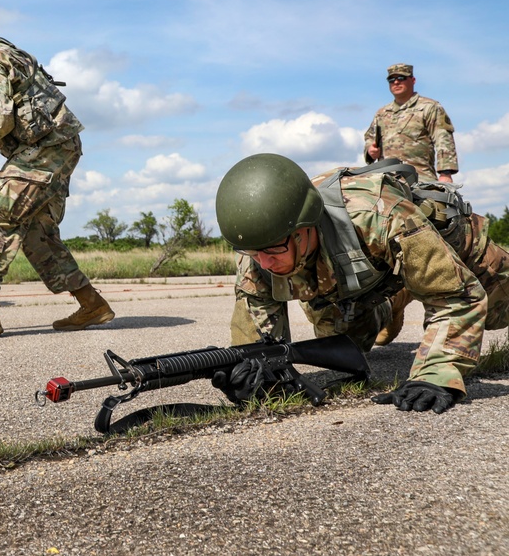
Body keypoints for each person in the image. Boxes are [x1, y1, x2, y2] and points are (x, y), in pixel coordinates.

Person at [215, 153, 509, 414]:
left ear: (304, 227)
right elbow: (256, 347)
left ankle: (412, 282)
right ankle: (395, 299)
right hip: (376, 270)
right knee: (344, 345)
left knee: (497, 313)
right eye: (253, 252)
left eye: (273, 249)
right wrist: (253, 378)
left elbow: (455, 296)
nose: (264, 262)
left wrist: (435, 373)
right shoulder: (258, 248)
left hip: (451, 245)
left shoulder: (380, 216)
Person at [0, 0, 114, 338]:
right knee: (36, 233)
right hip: (60, 146)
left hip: (43, 150)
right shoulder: (8, 51)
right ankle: (92, 305)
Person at [364, 63, 458, 183]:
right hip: (386, 180)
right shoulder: (382, 113)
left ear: (413, 80)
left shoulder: (429, 107)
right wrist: (370, 151)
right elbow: (370, 138)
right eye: (391, 80)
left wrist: (446, 173)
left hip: (419, 179)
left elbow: (443, 138)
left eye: (401, 78)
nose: (396, 82)